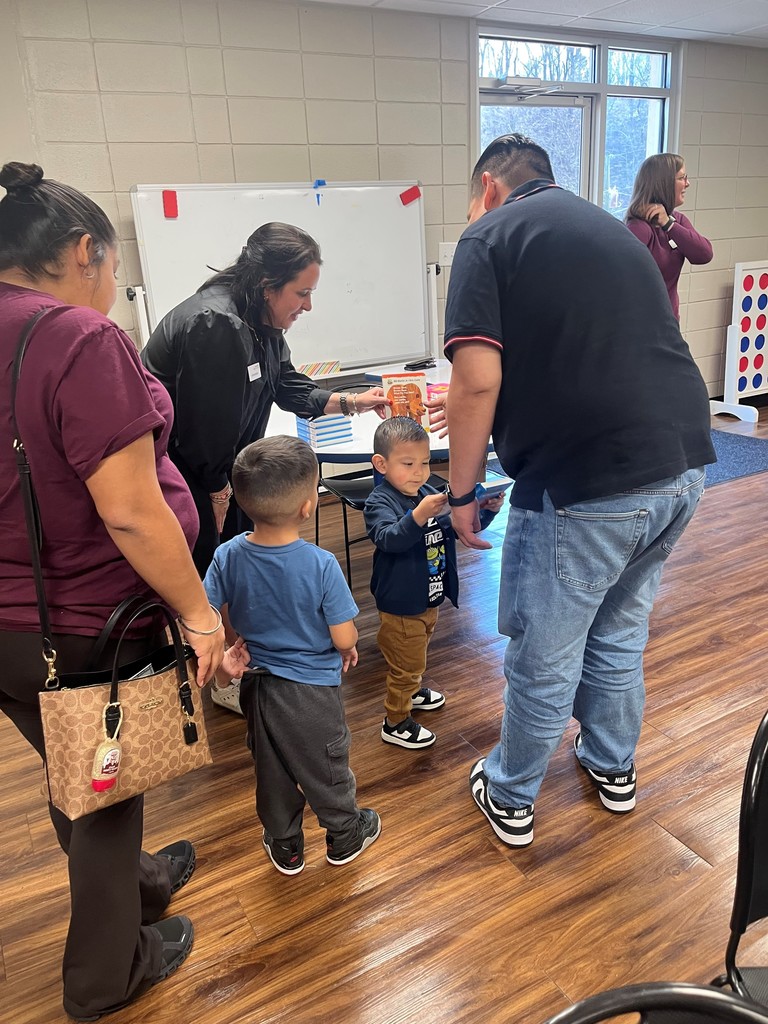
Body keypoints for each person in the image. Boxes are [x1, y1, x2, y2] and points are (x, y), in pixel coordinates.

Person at [442, 134, 716, 848]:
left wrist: (462, 491)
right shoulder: (607, 226)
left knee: (545, 650)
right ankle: (611, 765)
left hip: (590, 480)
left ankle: (510, 793)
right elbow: (578, 353)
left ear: (490, 189)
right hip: (683, 462)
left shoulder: (488, 234)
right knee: (620, 628)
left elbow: (475, 378)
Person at [0, 162, 225, 1020]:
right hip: (79, 618)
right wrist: (199, 616)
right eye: (113, 263)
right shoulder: (76, 339)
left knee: (80, 769)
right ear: (84, 250)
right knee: (101, 797)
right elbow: (131, 512)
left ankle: (142, 881)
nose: (115, 283)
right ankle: (107, 975)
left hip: (11, 626)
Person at [141, 222, 389, 578]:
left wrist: (352, 402)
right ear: (267, 286)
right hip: (190, 476)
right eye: (302, 293)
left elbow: (285, 383)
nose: (308, 305)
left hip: (219, 470)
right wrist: (217, 491)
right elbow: (204, 431)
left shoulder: (260, 319)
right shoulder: (217, 323)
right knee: (210, 575)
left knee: (236, 568)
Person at [204, 435, 381, 874]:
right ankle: (345, 834)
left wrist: (225, 661)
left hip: (257, 686)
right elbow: (342, 634)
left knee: (272, 767)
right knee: (325, 763)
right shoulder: (320, 563)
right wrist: (348, 647)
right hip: (311, 691)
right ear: (308, 506)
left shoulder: (226, 555)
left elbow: (205, 612)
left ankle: (285, 844)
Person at [364, 417, 502, 750]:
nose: (419, 472)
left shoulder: (427, 493)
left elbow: (455, 527)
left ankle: (412, 688)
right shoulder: (379, 502)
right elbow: (388, 539)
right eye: (408, 464)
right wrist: (419, 516)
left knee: (417, 650)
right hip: (400, 602)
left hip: (429, 593)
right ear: (381, 464)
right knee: (405, 664)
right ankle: (395, 721)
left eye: (424, 463)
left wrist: (486, 511)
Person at [626, 153, 713, 319]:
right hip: (642, 324)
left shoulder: (676, 220)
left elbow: (704, 254)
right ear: (663, 184)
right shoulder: (639, 227)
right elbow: (619, 272)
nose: (687, 183)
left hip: (668, 322)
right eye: (682, 178)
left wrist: (669, 225)